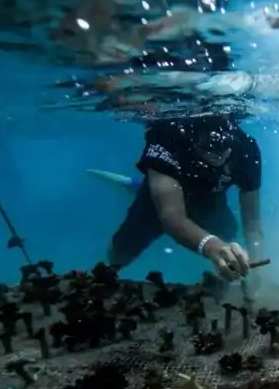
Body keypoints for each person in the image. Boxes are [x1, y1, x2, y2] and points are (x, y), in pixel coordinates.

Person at [102, 115, 265, 288]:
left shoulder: (247, 149)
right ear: (191, 139)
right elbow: (172, 217)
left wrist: (257, 269)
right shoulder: (166, 136)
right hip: (157, 202)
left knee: (230, 239)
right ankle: (147, 186)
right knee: (120, 253)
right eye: (207, 147)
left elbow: (252, 222)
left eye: (225, 147)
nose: (217, 154)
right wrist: (212, 246)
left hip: (208, 201)